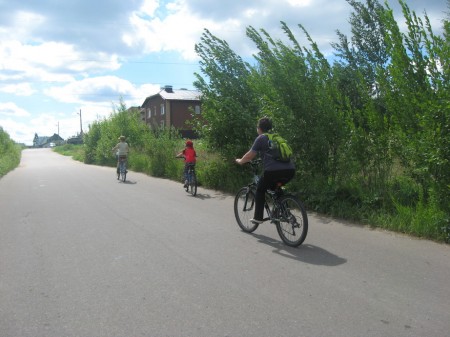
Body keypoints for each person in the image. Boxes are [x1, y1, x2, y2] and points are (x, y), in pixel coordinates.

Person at [236, 117, 295, 224]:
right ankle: (284, 212)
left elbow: (250, 155)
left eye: (257, 127)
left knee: (260, 189)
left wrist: (240, 161)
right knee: (276, 187)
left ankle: (258, 217)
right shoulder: (276, 137)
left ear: (259, 128)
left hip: (273, 172)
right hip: (290, 170)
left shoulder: (261, 138)